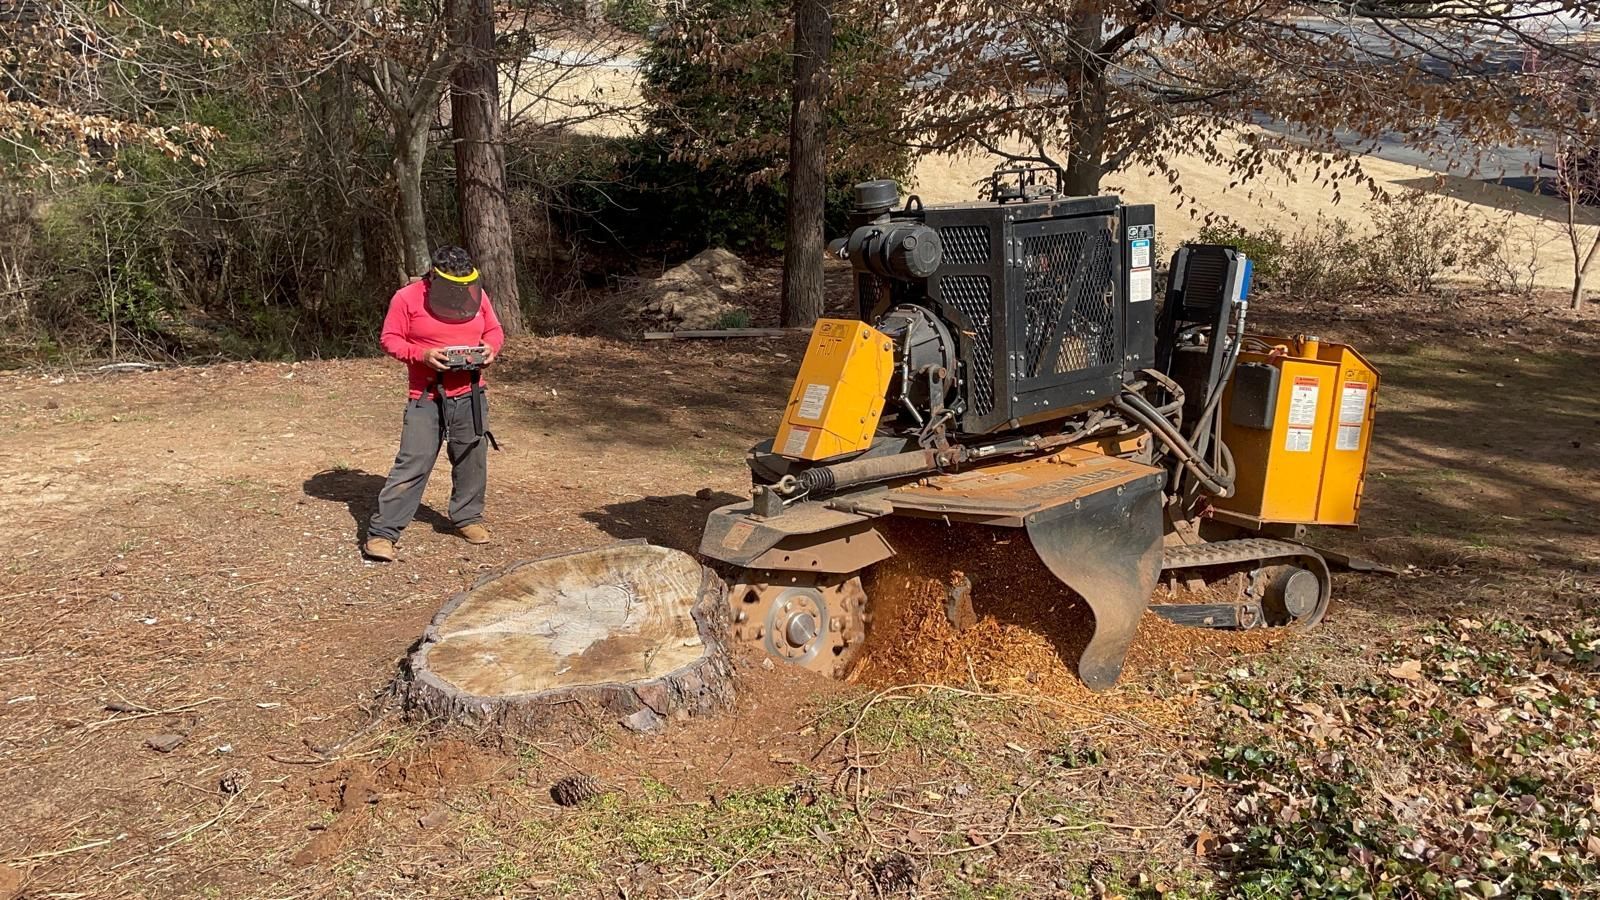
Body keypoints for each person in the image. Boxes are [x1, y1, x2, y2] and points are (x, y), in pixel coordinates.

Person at [364, 246, 505, 561]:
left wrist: (490, 348)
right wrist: (422, 355)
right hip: (426, 394)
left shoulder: (477, 295)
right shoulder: (407, 298)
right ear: (433, 277)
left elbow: (494, 330)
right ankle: (383, 533)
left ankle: (467, 517)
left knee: (472, 456)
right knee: (413, 461)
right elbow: (390, 338)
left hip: (470, 392)